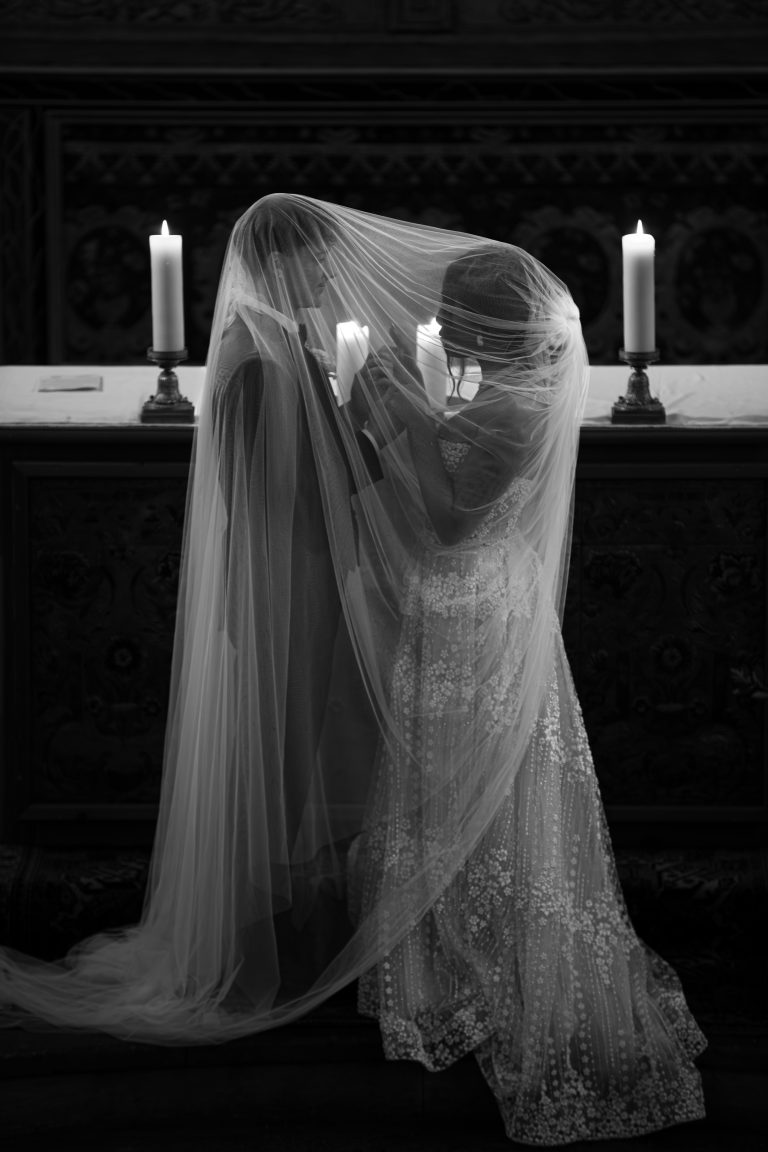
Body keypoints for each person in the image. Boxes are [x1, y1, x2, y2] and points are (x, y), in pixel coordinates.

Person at [0, 197, 705, 1145]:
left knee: (478, 790)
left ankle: (470, 955)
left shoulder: (513, 397)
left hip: (471, 604)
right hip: (449, 604)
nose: (442, 330)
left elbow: (446, 507)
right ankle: (427, 954)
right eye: (323, 267)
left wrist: (383, 414)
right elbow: (378, 477)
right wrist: (388, 418)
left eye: (459, 324)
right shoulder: (319, 364)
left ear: (492, 329)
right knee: (435, 787)